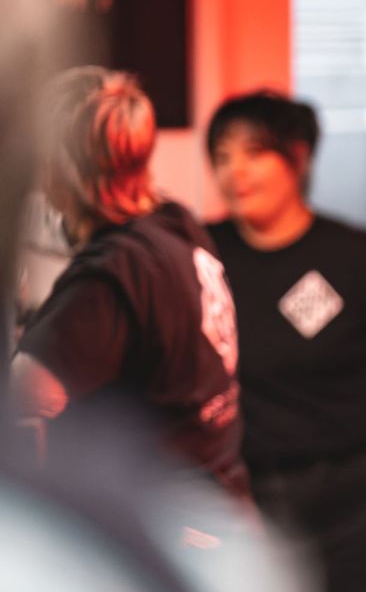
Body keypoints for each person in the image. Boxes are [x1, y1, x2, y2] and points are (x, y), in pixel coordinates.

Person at [206, 91, 366, 592]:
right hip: (243, 503)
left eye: (254, 153)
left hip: (349, 504)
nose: (235, 171)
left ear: (297, 157)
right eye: (222, 156)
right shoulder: (199, 255)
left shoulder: (355, 257)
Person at [12, 67, 246, 497]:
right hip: (217, 501)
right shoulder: (176, 224)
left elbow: (20, 399)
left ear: (58, 164)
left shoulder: (110, 275)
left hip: (166, 519)